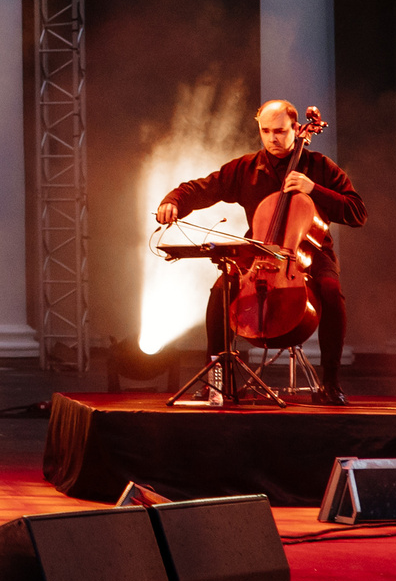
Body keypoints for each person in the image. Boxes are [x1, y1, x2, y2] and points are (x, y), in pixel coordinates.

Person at [156, 98, 367, 405]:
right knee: (221, 289)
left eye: (280, 131)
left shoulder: (319, 167)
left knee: (331, 290)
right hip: (259, 250)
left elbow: (357, 212)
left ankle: (330, 382)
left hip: (310, 253)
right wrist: (174, 200)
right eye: (266, 131)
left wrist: (313, 189)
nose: (272, 138)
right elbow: (204, 187)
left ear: (296, 128)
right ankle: (216, 379)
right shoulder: (246, 167)